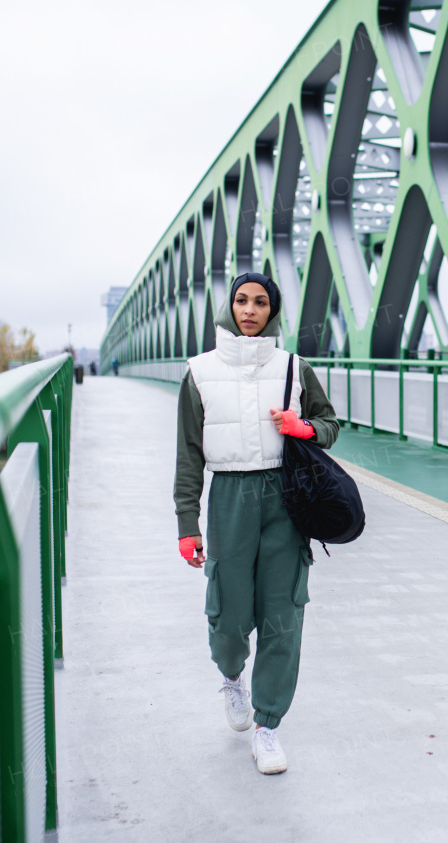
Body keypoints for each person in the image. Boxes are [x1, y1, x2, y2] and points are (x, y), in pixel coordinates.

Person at [173, 271, 339, 775]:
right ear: (229, 307)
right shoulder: (198, 372)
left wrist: (302, 427)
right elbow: (188, 455)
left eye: (260, 302)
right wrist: (187, 521)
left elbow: (330, 425)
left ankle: (268, 727)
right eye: (241, 300)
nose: (249, 309)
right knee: (227, 614)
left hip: (284, 499)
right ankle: (230, 676)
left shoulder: (294, 367)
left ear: (273, 310)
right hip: (228, 497)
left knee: (283, 613)